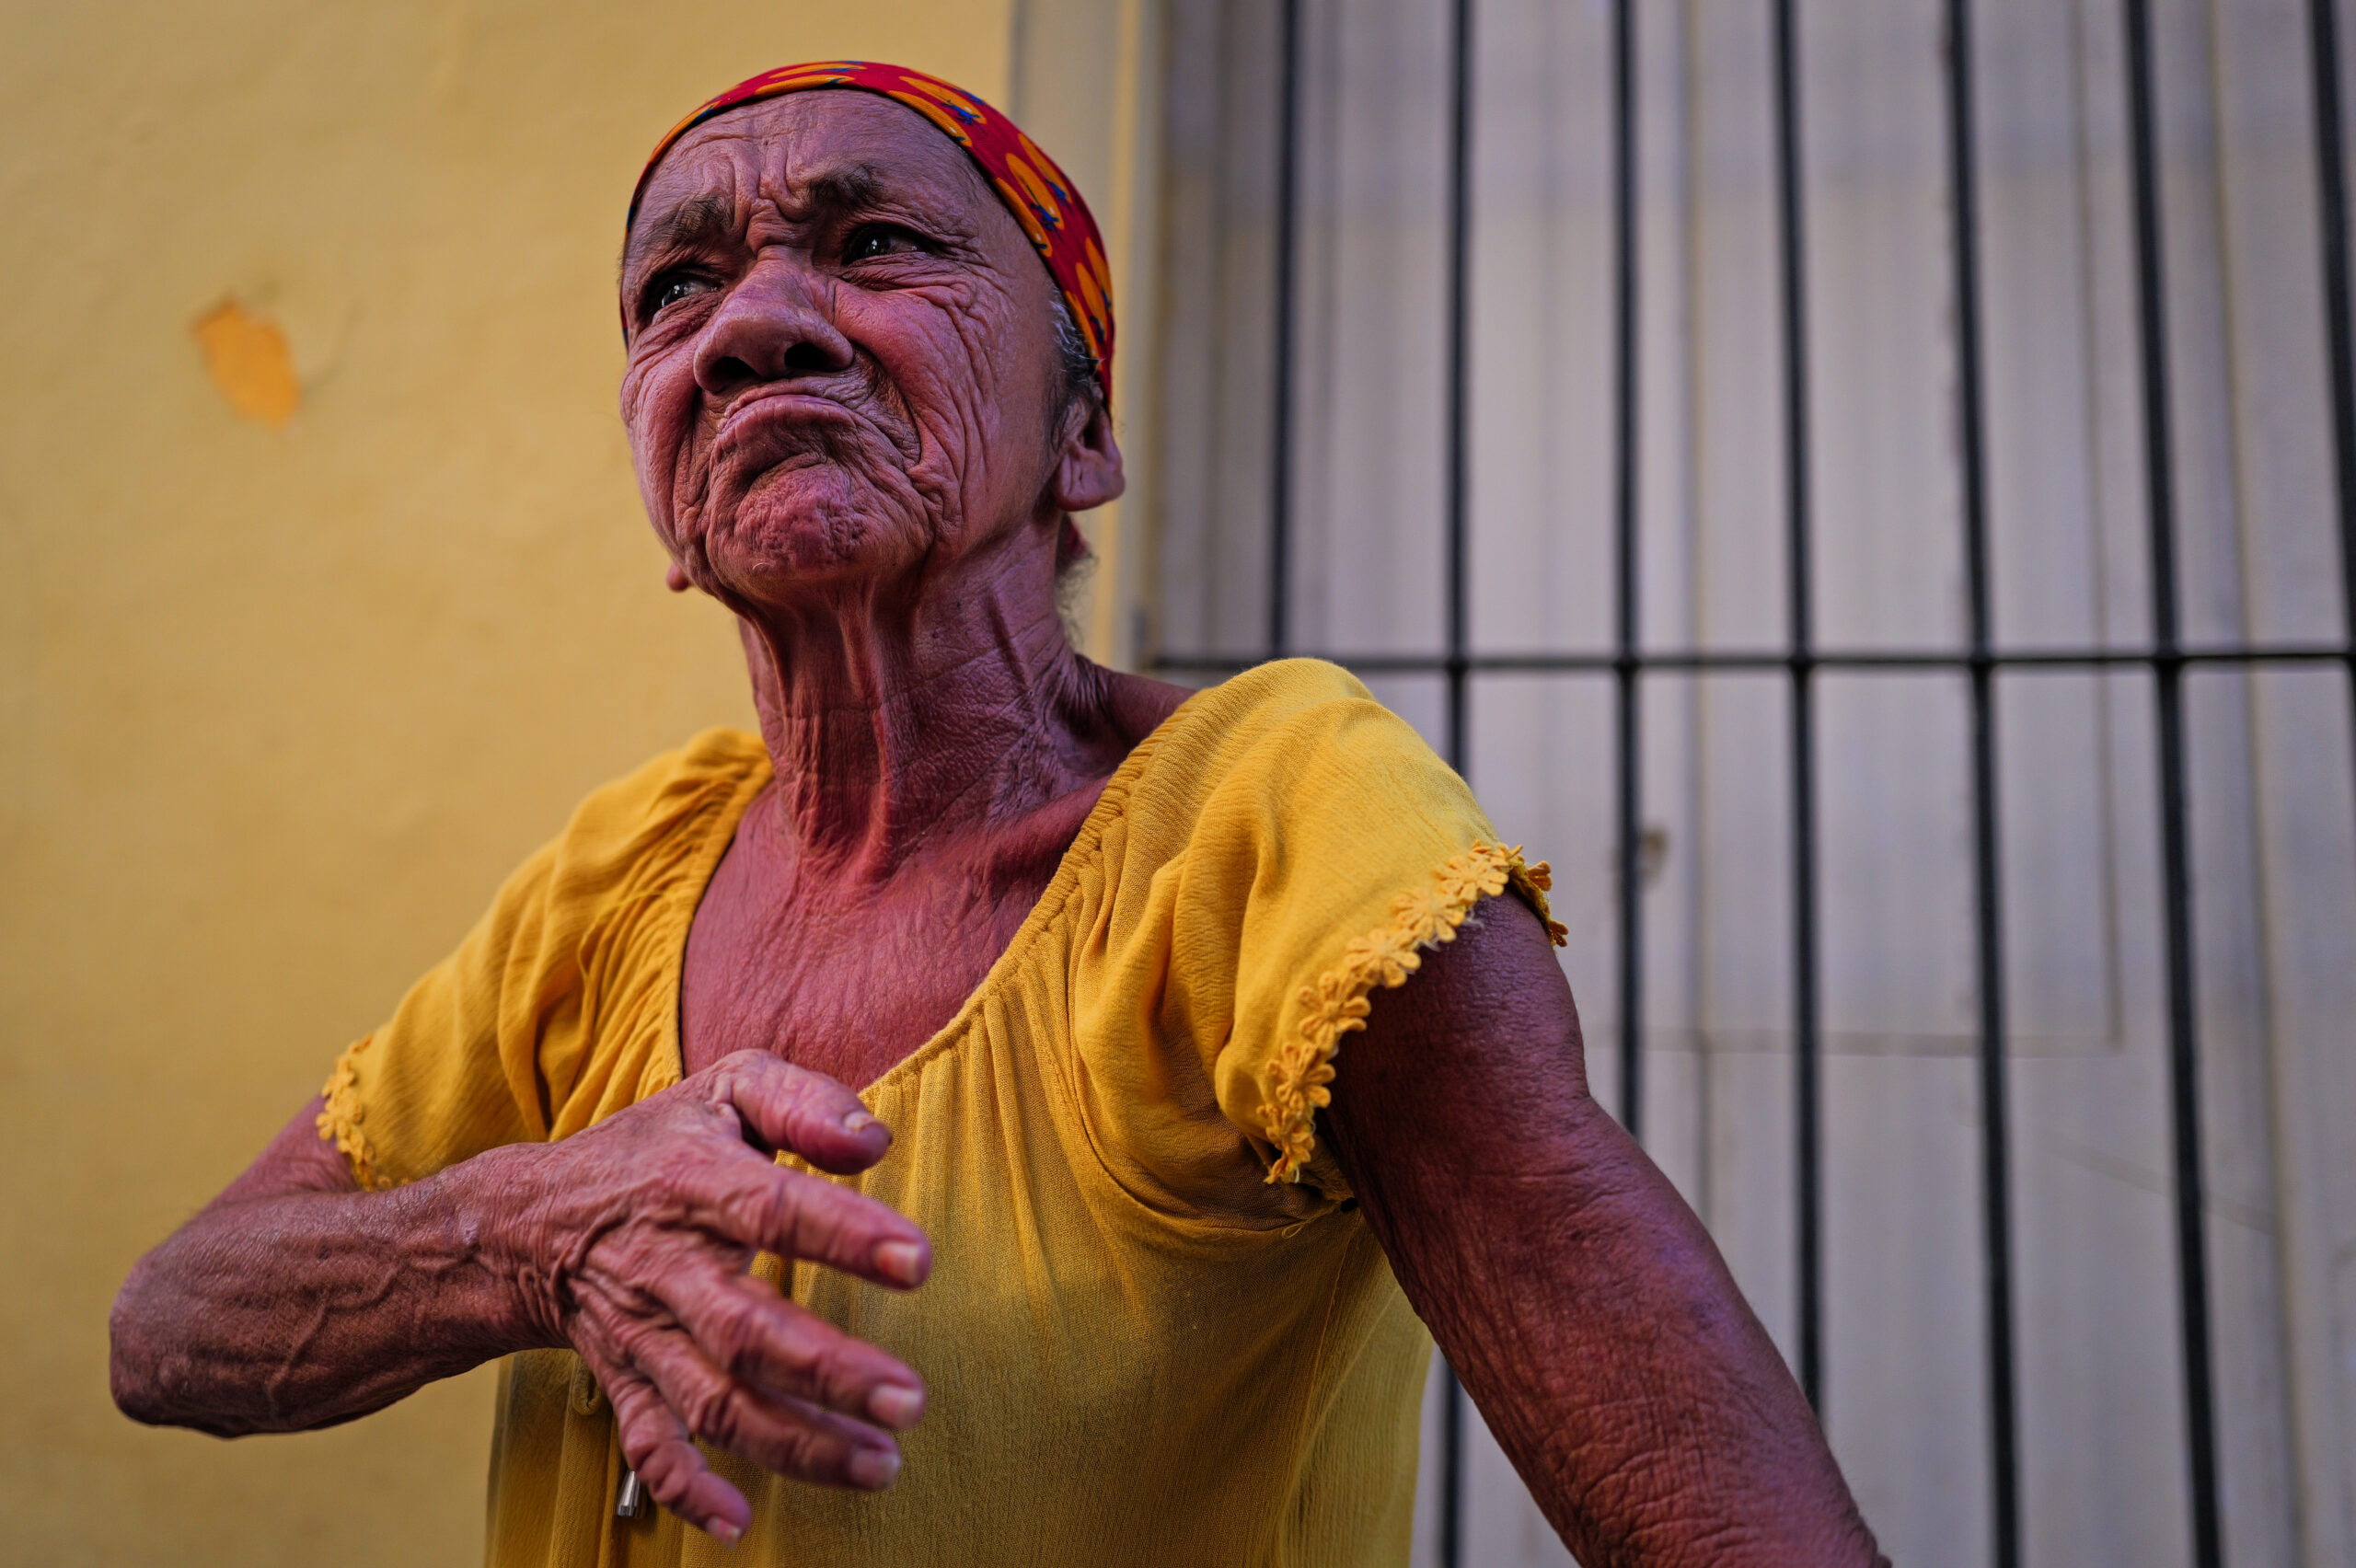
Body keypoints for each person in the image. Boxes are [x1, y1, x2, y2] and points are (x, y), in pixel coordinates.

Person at [110, 62, 1885, 1567]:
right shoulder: (616, 875)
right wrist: (529, 1233)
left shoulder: (1265, 829)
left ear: (1084, 429)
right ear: (666, 485)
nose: (754, 329)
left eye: (874, 244)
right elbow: (173, 1319)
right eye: (676, 293)